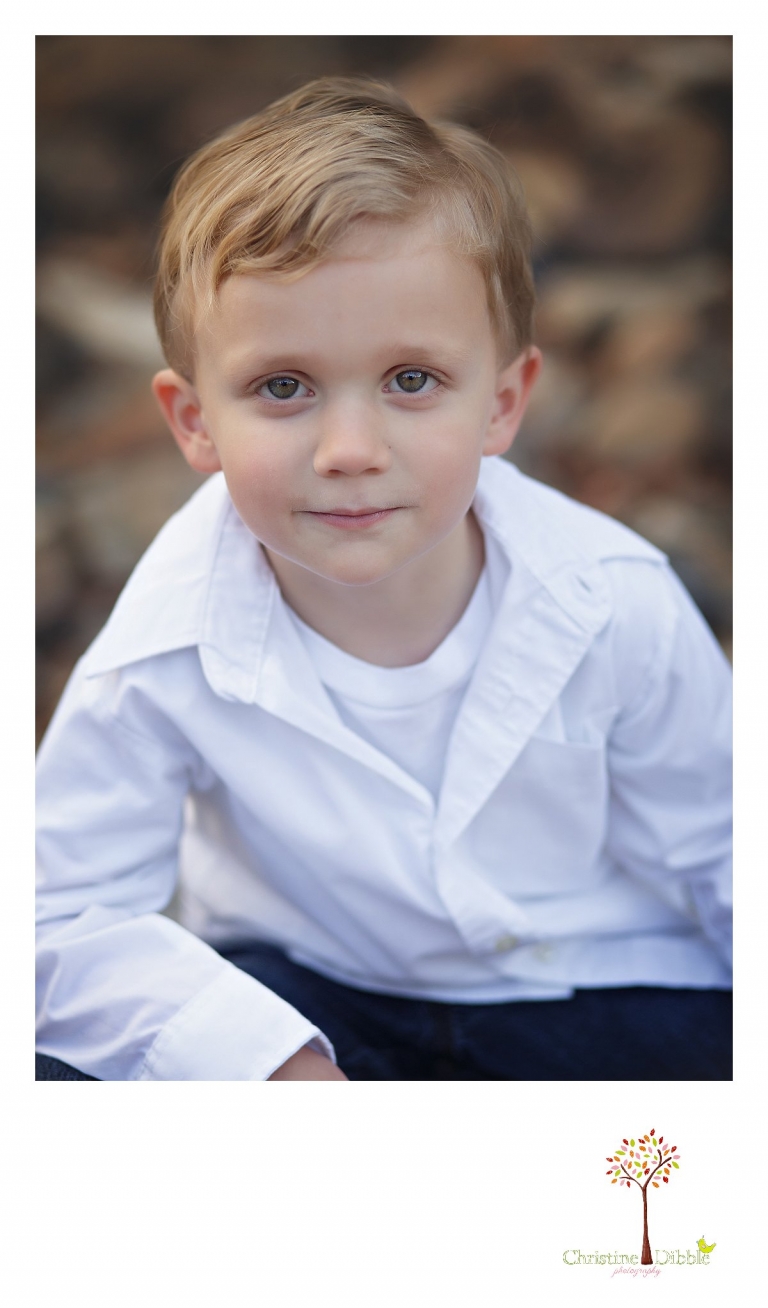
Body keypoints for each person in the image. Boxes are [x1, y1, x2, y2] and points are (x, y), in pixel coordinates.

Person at [35, 77, 732, 1082]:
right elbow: (59, 912)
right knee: (64, 1072)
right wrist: (269, 1061)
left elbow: (726, 848)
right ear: (194, 421)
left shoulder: (612, 600)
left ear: (503, 403)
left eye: (412, 381)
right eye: (283, 387)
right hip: (316, 993)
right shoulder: (165, 644)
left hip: (595, 985)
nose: (351, 450)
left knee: (684, 1130)